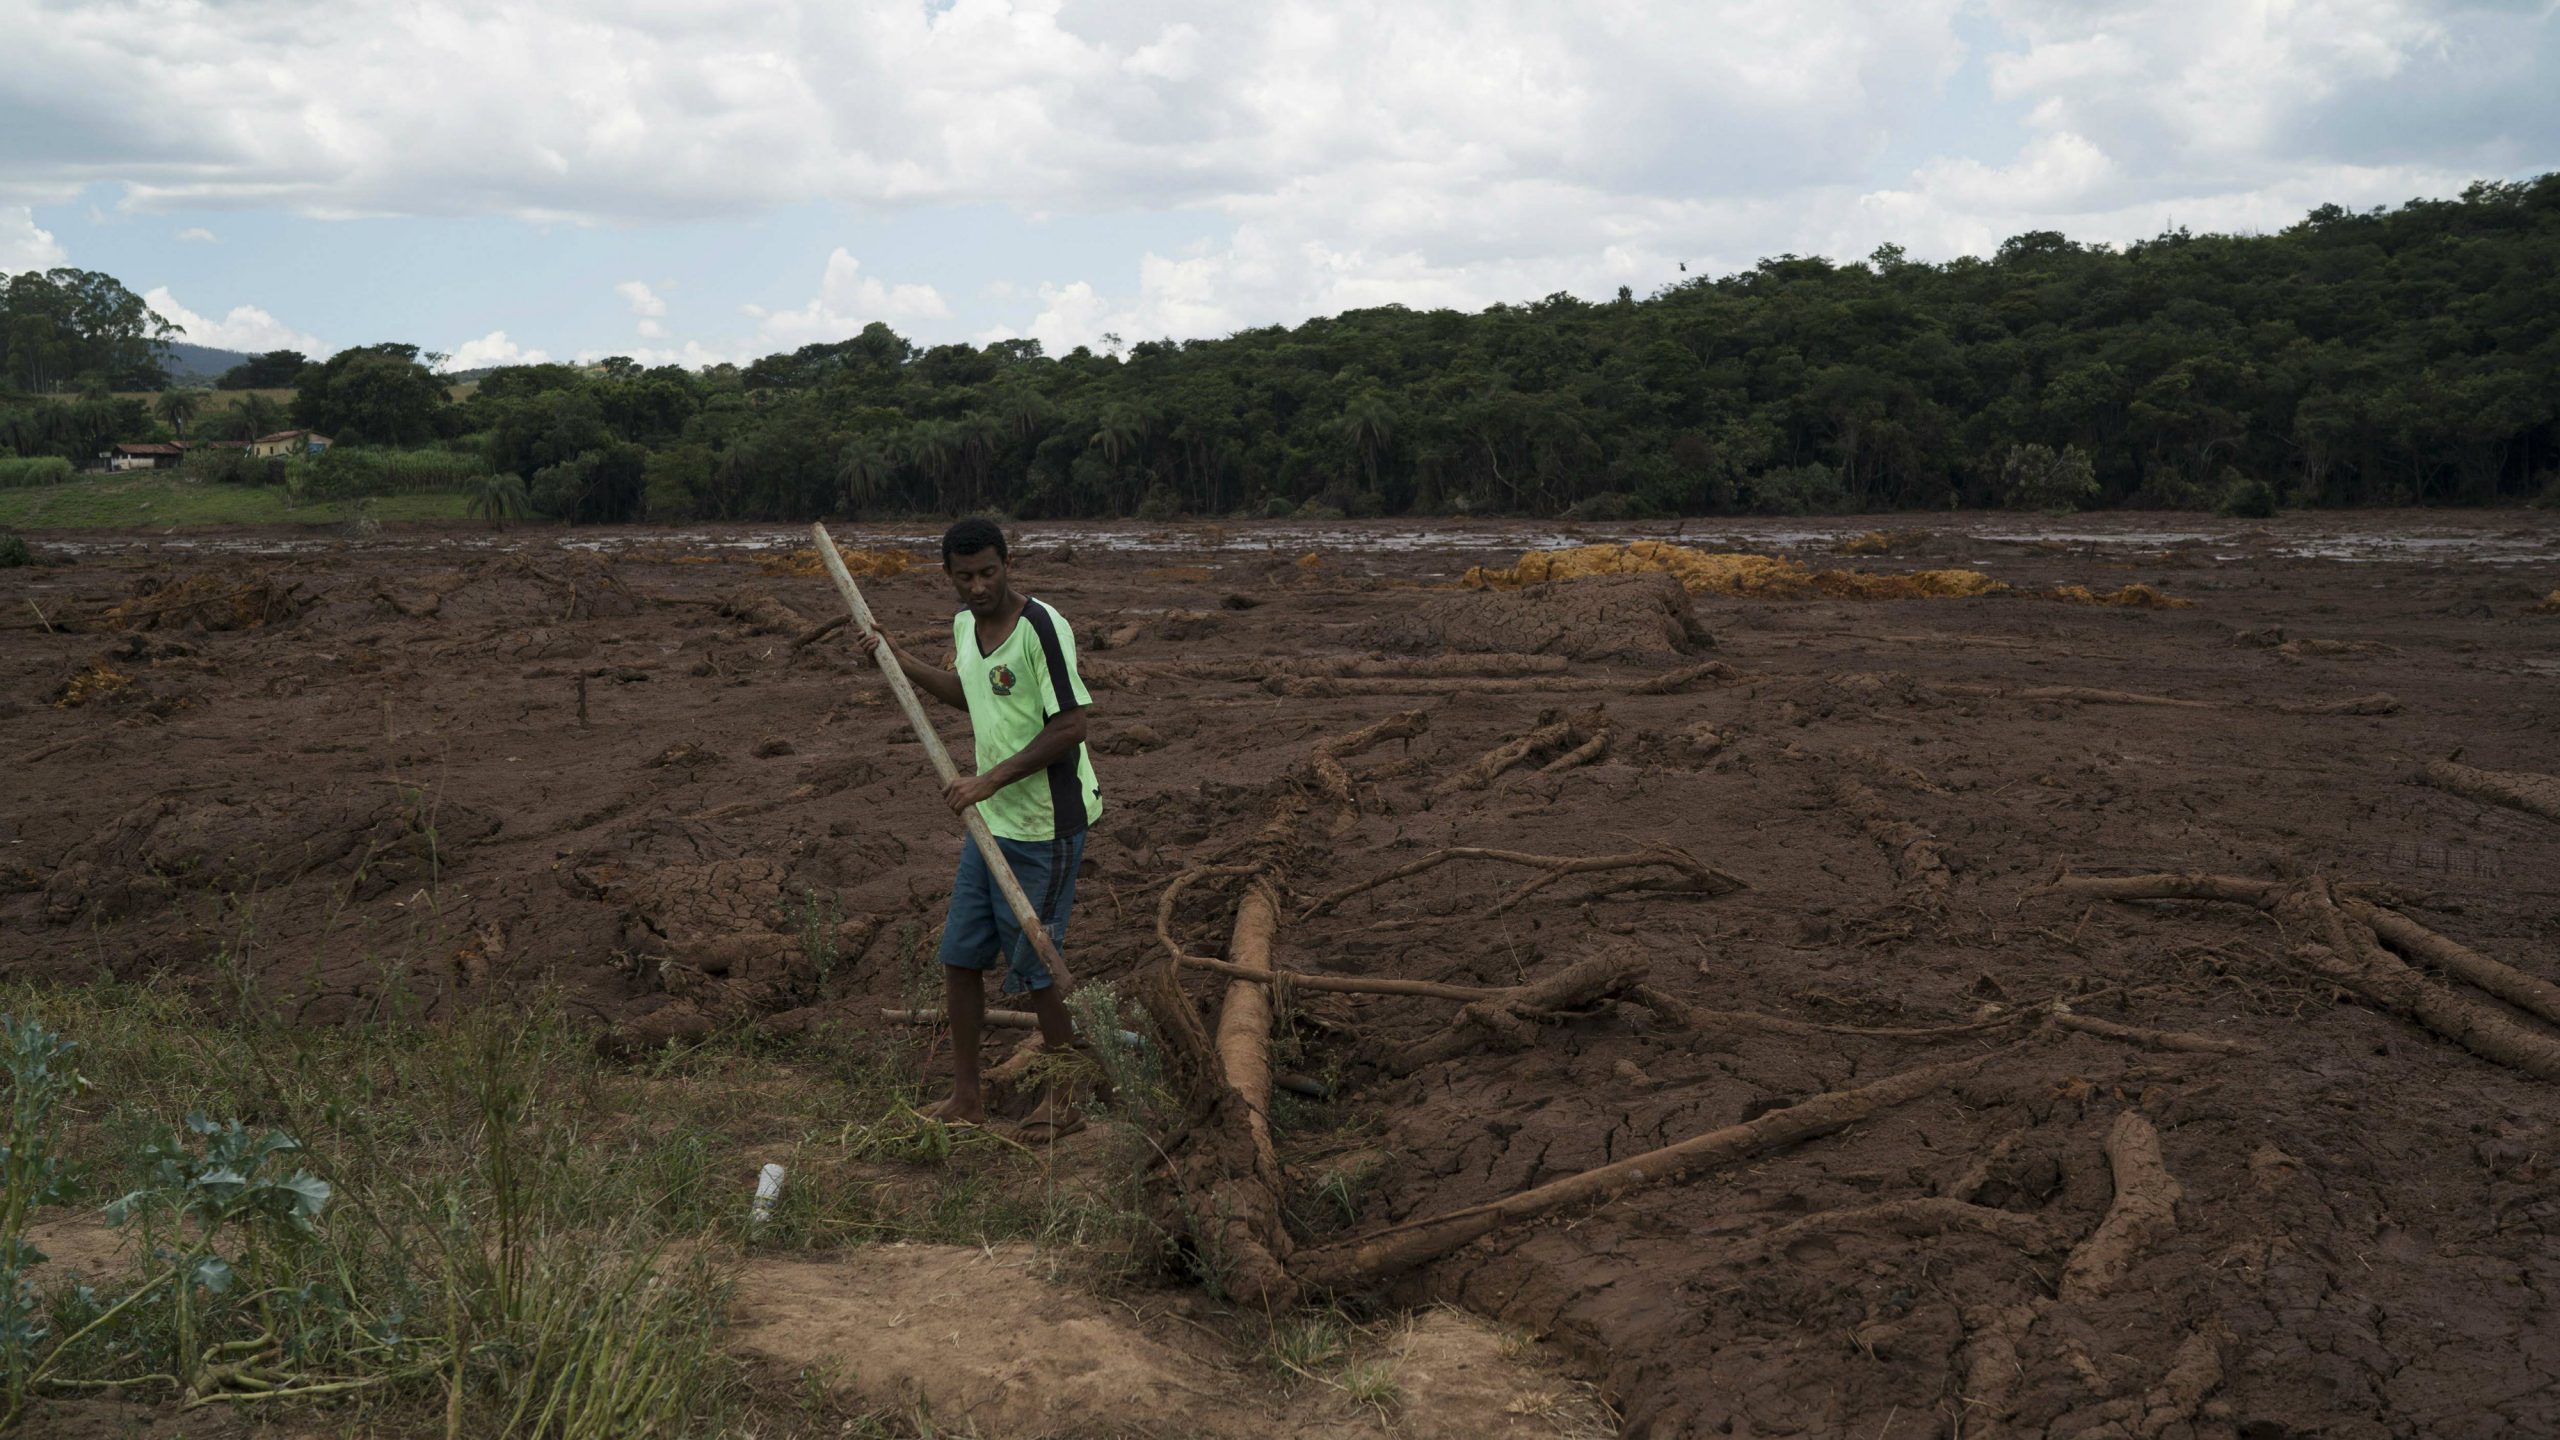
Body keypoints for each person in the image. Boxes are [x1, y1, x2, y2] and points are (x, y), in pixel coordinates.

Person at [855, 517, 1103, 1136]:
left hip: (1047, 822)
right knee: (960, 958)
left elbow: (1071, 724)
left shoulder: (1041, 628)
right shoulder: (966, 625)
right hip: (990, 823)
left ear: (1007, 563)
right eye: (964, 576)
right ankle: (967, 1099)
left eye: (988, 572)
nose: (977, 586)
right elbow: (971, 695)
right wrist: (901, 661)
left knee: (1040, 963)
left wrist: (987, 780)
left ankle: (1066, 1100)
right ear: (948, 575)